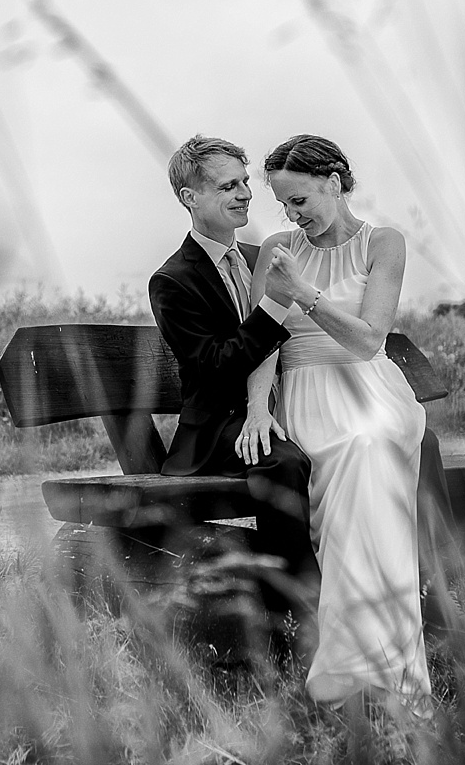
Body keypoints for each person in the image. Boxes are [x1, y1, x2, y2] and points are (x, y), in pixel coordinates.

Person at [242, 134, 432, 712]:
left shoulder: (385, 243)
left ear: (333, 181)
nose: (292, 214)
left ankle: (362, 665)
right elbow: (263, 343)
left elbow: (369, 340)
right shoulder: (277, 247)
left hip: (369, 389)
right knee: (357, 459)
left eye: (300, 199)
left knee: (368, 446)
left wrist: (307, 293)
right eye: (284, 204)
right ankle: (366, 665)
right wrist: (256, 410)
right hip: (304, 394)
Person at [148, 134, 321, 628]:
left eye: (245, 182)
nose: (246, 192)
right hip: (217, 424)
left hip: (278, 402)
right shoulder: (173, 281)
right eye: (228, 186)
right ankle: (300, 612)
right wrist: (273, 306)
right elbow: (214, 364)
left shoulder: (258, 254)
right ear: (191, 198)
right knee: (284, 461)